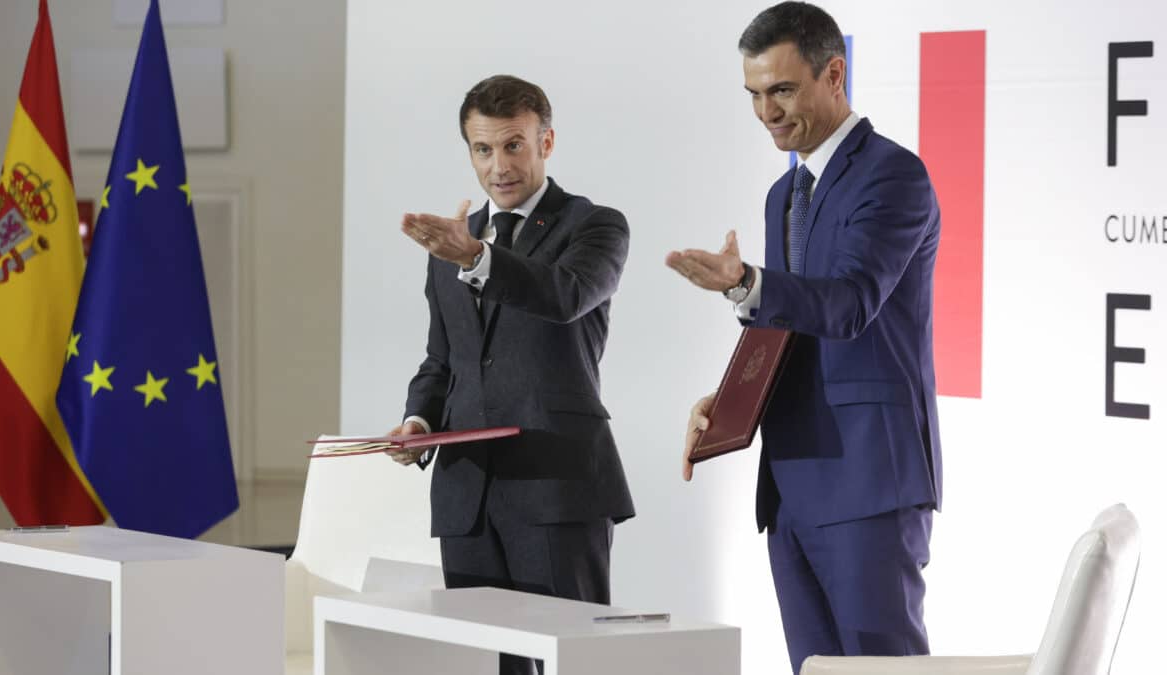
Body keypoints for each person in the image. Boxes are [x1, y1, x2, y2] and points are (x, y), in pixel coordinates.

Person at [665, 3, 943, 674]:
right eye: (755, 94)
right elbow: (787, 332)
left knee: (885, 671)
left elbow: (849, 304)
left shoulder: (893, 177)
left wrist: (746, 283)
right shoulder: (781, 195)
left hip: (868, 480)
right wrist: (729, 402)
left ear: (835, 74)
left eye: (782, 89)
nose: (766, 111)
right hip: (789, 488)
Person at [389, 74, 635, 675]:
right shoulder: (452, 244)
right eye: (482, 149)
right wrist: (418, 419)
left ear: (546, 142)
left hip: (557, 488)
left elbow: (565, 296)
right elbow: (442, 359)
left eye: (513, 145)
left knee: (573, 661)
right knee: (484, 665)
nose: (498, 165)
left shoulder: (594, 225)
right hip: (467, 493)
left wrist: (478, 259)